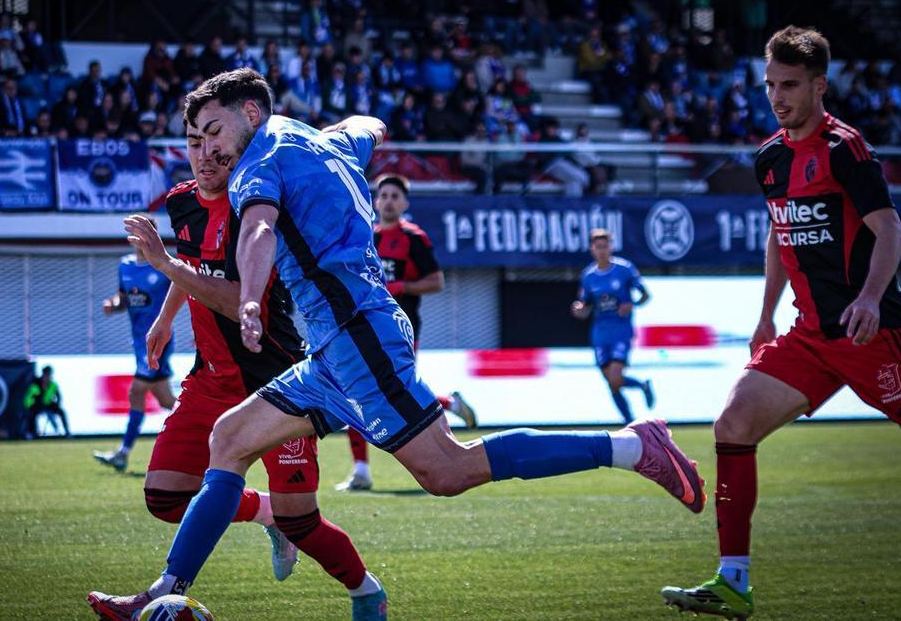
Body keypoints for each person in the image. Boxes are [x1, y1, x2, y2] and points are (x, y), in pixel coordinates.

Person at [89, 69, 705, 618]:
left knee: (448, 470)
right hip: (334, 348)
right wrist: (367, 126)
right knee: (229, 437)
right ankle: (162, 591)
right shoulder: (323, 140)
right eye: (197, 136)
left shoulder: (258, 166)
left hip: (357, 336)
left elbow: (258, 231)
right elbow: (366, 126)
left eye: (213, 130)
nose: (209, 147)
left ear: (251, 113)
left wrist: (249, 298)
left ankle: (630, 447)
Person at [661, 26, 901, 619]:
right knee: (733, 423)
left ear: (818, 85)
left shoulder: (847, 150)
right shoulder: (769, 158)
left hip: (872, 333)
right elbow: (779, 236)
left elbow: (890, 230)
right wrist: (763, 317)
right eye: (769, 85)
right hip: (809, 337)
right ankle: (733, 581)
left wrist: (867, 297)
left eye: (789, 85)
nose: (777, 97)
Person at [88, 119, 381, 620]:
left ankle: (366, 592)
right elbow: (195, 263)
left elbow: (237, 300)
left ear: (238, 145)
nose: (204, 154)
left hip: (274, 380)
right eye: (193, 142)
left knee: (302, 522)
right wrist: (164, 318)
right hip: (210, 375)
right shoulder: (181, 201)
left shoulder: (257, 205)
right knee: (164, 493)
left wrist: (160, 263)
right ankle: (253, 520)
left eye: (214, 143)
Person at [337, 174, 478, 492]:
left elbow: (436, 282)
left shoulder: (414, 238)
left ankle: (448, 408)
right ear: (375, 201)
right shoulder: (365, 237)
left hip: (401, 328)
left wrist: (403, 286)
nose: (387, 200)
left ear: (404, 203)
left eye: (394, 196)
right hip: (363, 327)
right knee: (356, 393)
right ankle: (361, 470)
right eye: (383, 195)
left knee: (399, 392)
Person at [92, 241, 177, 472]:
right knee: (165, 399)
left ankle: (122, 453)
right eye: (135, 233)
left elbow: (185, 291)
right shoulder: (125, 266)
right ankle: (210, 426)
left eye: (143, 233)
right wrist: (113, 304)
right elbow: (124, 298)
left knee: (136, 391)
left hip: (158, 340)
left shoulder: (163, 265)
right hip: (139, 342)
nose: (138, 239)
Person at [569, 229, 655, 425]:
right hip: (600, 334)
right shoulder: (588, 276)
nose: (602, 251)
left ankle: (634, 413)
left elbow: (645, 294)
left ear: (611, 247)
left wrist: (633, 304)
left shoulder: (624, 270)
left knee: (616, 378)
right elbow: (585, 304)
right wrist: (579, 309)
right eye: (598, 247)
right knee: (612, 384)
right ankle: (630, 422)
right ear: (592, 249)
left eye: (605, 246)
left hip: (621, 332)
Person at [23, 365, 70, 438]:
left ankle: (67, 432)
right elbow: (29, 397)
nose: (48, 377)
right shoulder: (35, 384)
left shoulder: (53, 384)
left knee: (61, 412)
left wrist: (57, 404)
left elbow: (58, 396)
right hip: (37, 405)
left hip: (49, 405)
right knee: (31, 414)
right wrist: (29, 406)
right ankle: (32, 433)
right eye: (46, 374)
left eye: (49, 375)